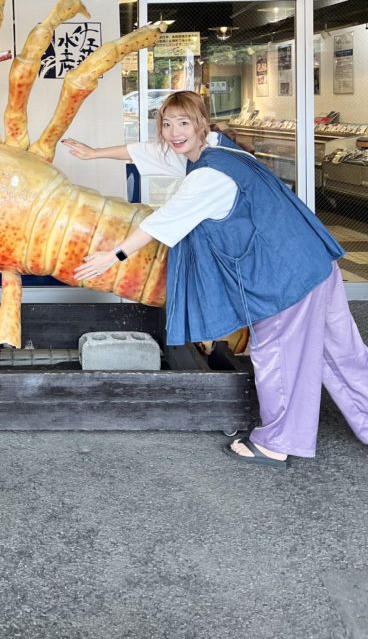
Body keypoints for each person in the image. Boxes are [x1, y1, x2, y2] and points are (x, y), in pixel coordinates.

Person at [63, 91, 368, 468]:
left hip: (283, 278)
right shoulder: (222, 149)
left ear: (201, 123)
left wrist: (114, 254)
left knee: (277, 354)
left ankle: (278, 442)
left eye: (184, 123)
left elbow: (161, 223)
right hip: (313, 261)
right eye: (168, 123)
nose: (175, 133)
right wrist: (95, 154)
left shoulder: (208, 176)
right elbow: (151, 152)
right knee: (342, 350)